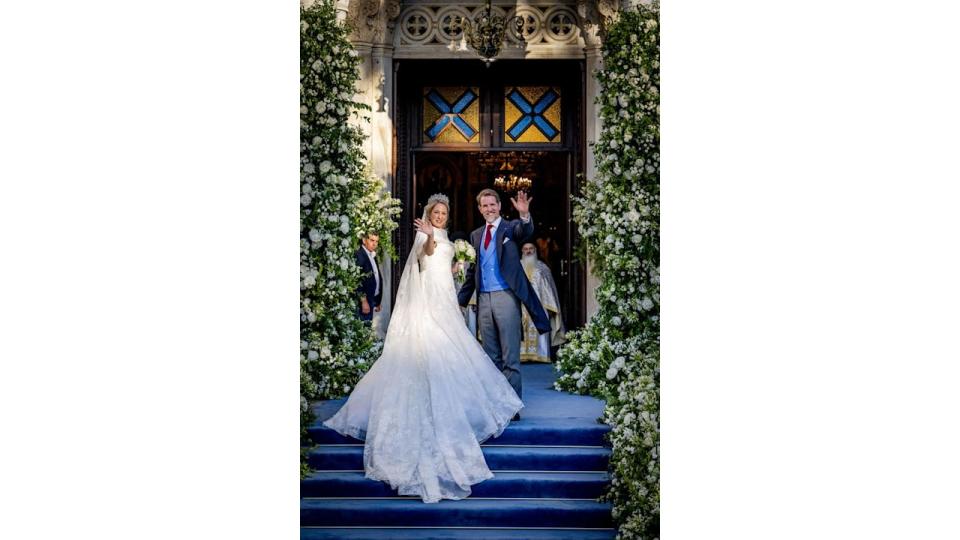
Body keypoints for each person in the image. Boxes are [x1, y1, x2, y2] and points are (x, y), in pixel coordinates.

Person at [324, 194, 523, 504]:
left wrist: (457, 266)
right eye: (437, 212)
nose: (441, 216)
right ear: (430, 213)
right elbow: (423, 258)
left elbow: (445, 268)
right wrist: (429, 236)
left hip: (445, 299)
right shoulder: (426, 234)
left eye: (444, 212)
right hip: (428, 304)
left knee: (462, 355)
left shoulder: (452, 238)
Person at [457, 189, 550, 419]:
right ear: (480, 209)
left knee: (510, 357)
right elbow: (472, 272)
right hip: (484, 300)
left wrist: (525, 215)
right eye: (485, 205)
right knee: (490, 357)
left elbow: (525, 230)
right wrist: (460, 302)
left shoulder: (510, 228)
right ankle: (496, 405)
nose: (489, 209)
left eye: (493, 205)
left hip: (506, 297)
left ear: (499, 206)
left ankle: (512, 407)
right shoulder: (476, 235)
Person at [520, 242, 566, 363]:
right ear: (522, 251)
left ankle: (541, 356)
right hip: (520, 306)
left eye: (531, 249)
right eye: (525, 249)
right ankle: (521, 355)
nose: (528, 251)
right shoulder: (516, 267)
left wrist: (550, 306)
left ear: (535, 251)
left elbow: (549, 289)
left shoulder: (543, 268)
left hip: (539, 307)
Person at [355, 233, 383, 323]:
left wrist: (377, 301)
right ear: (364, 240)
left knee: (367, 329)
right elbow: (357, 280)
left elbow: (375, 277)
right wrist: (363, 301)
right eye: (372, 240)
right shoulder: (359, 255)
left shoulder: (372, 254)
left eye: (376, 241)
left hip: (371, 300)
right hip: (363, 302)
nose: (374, 244)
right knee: (363, 329)